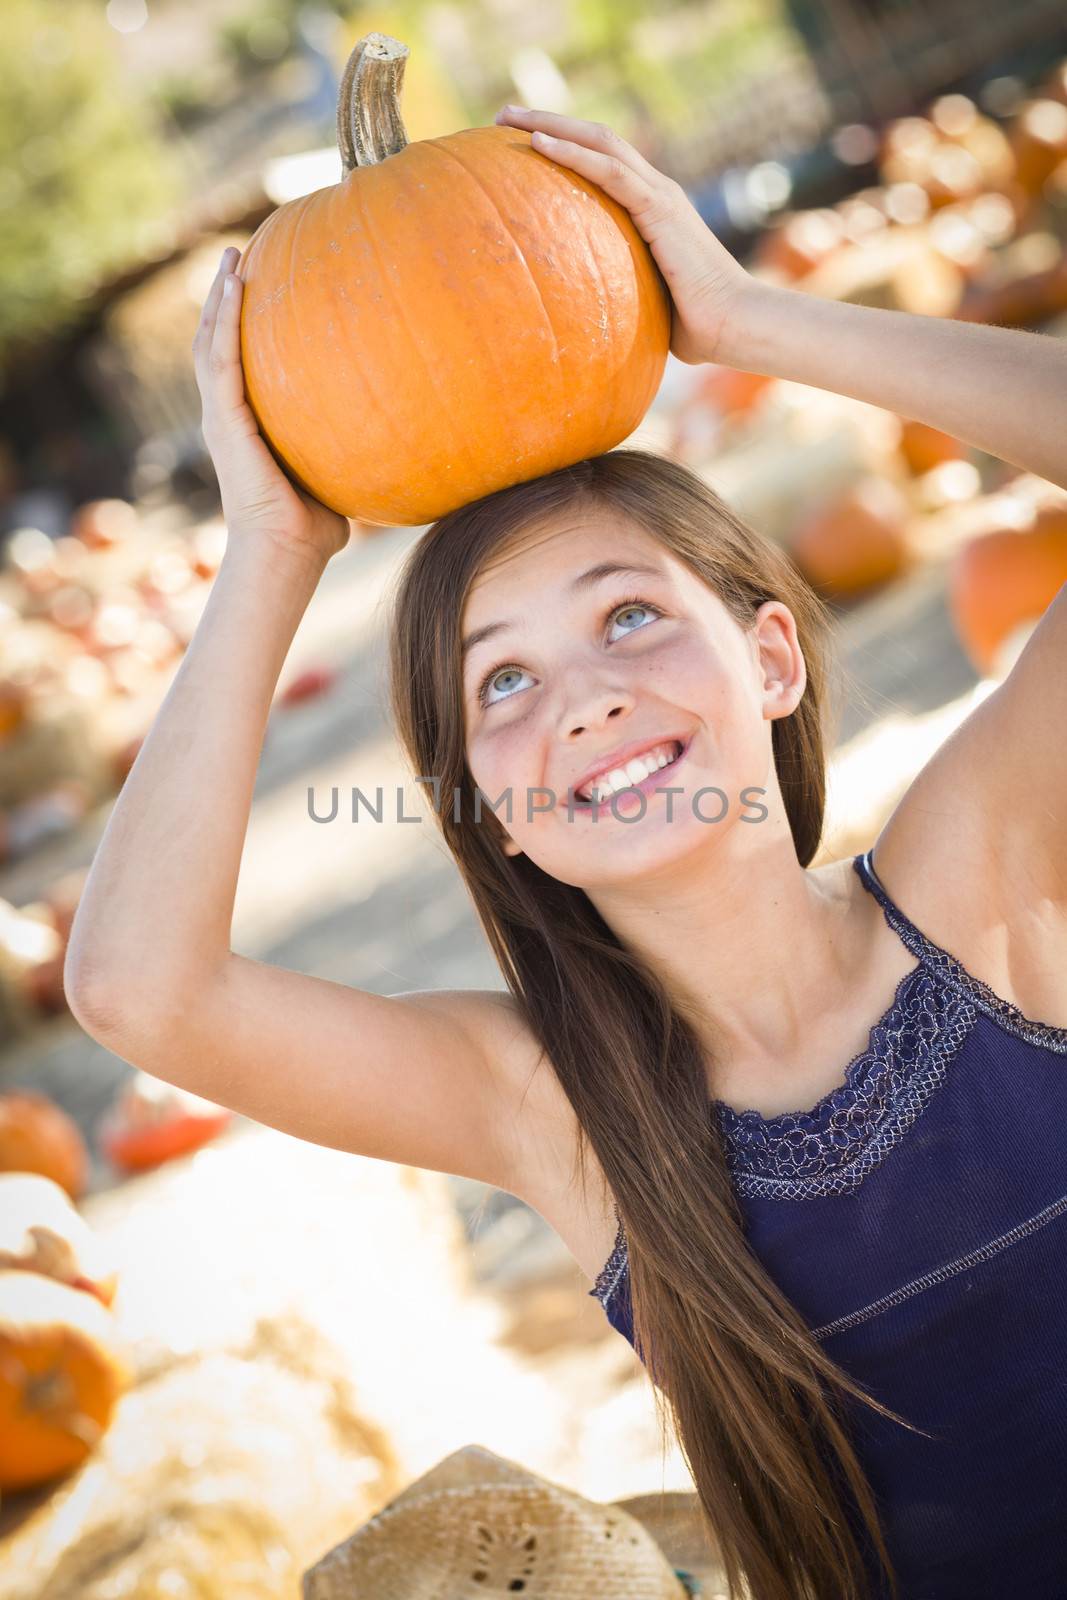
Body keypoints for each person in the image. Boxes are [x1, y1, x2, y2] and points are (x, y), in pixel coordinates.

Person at [64, 104, 1067, 1600]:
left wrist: (740, 318)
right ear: (482, 800)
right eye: (504, 684)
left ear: (774, 656)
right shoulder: (553, 1110)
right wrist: (272, 549)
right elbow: (141, 990)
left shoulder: (974, 884)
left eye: (632, 616)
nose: (588, 697)